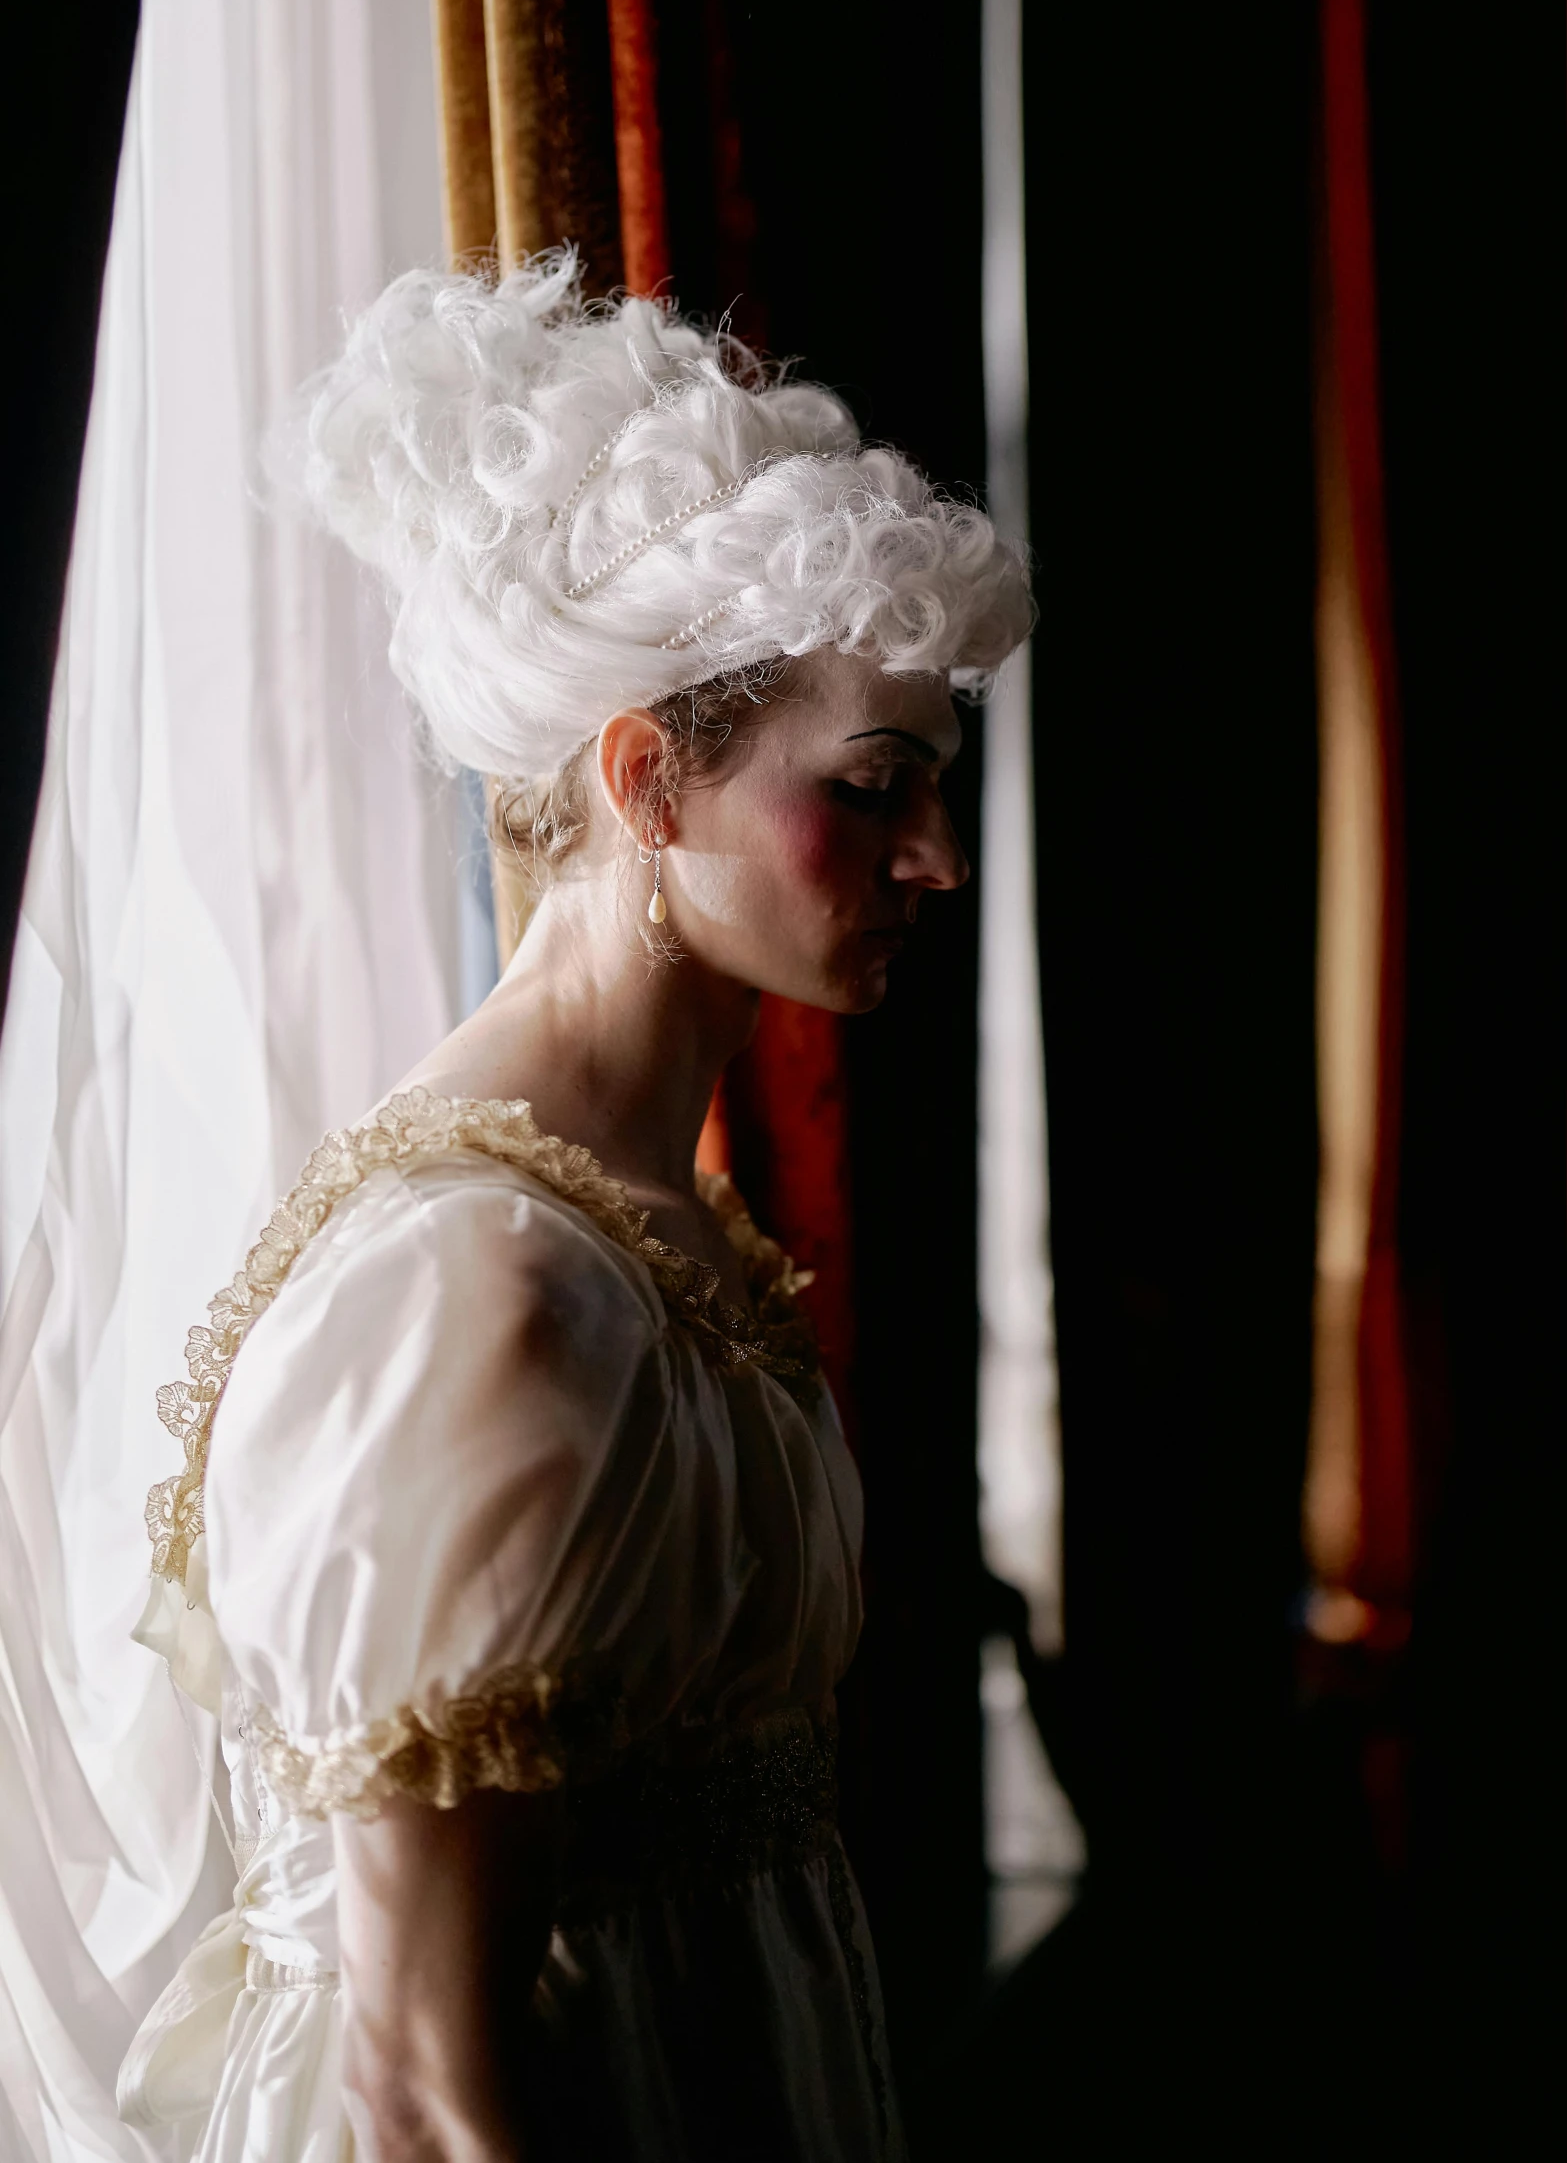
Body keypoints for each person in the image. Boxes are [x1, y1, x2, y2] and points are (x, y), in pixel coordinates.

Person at [118, 252, 1031, 2162]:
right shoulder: (485, 1286)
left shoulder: (652, 1226)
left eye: (936, 791)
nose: (935, 859)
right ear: (643, 776)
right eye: (871, 788)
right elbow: (425, 2083)